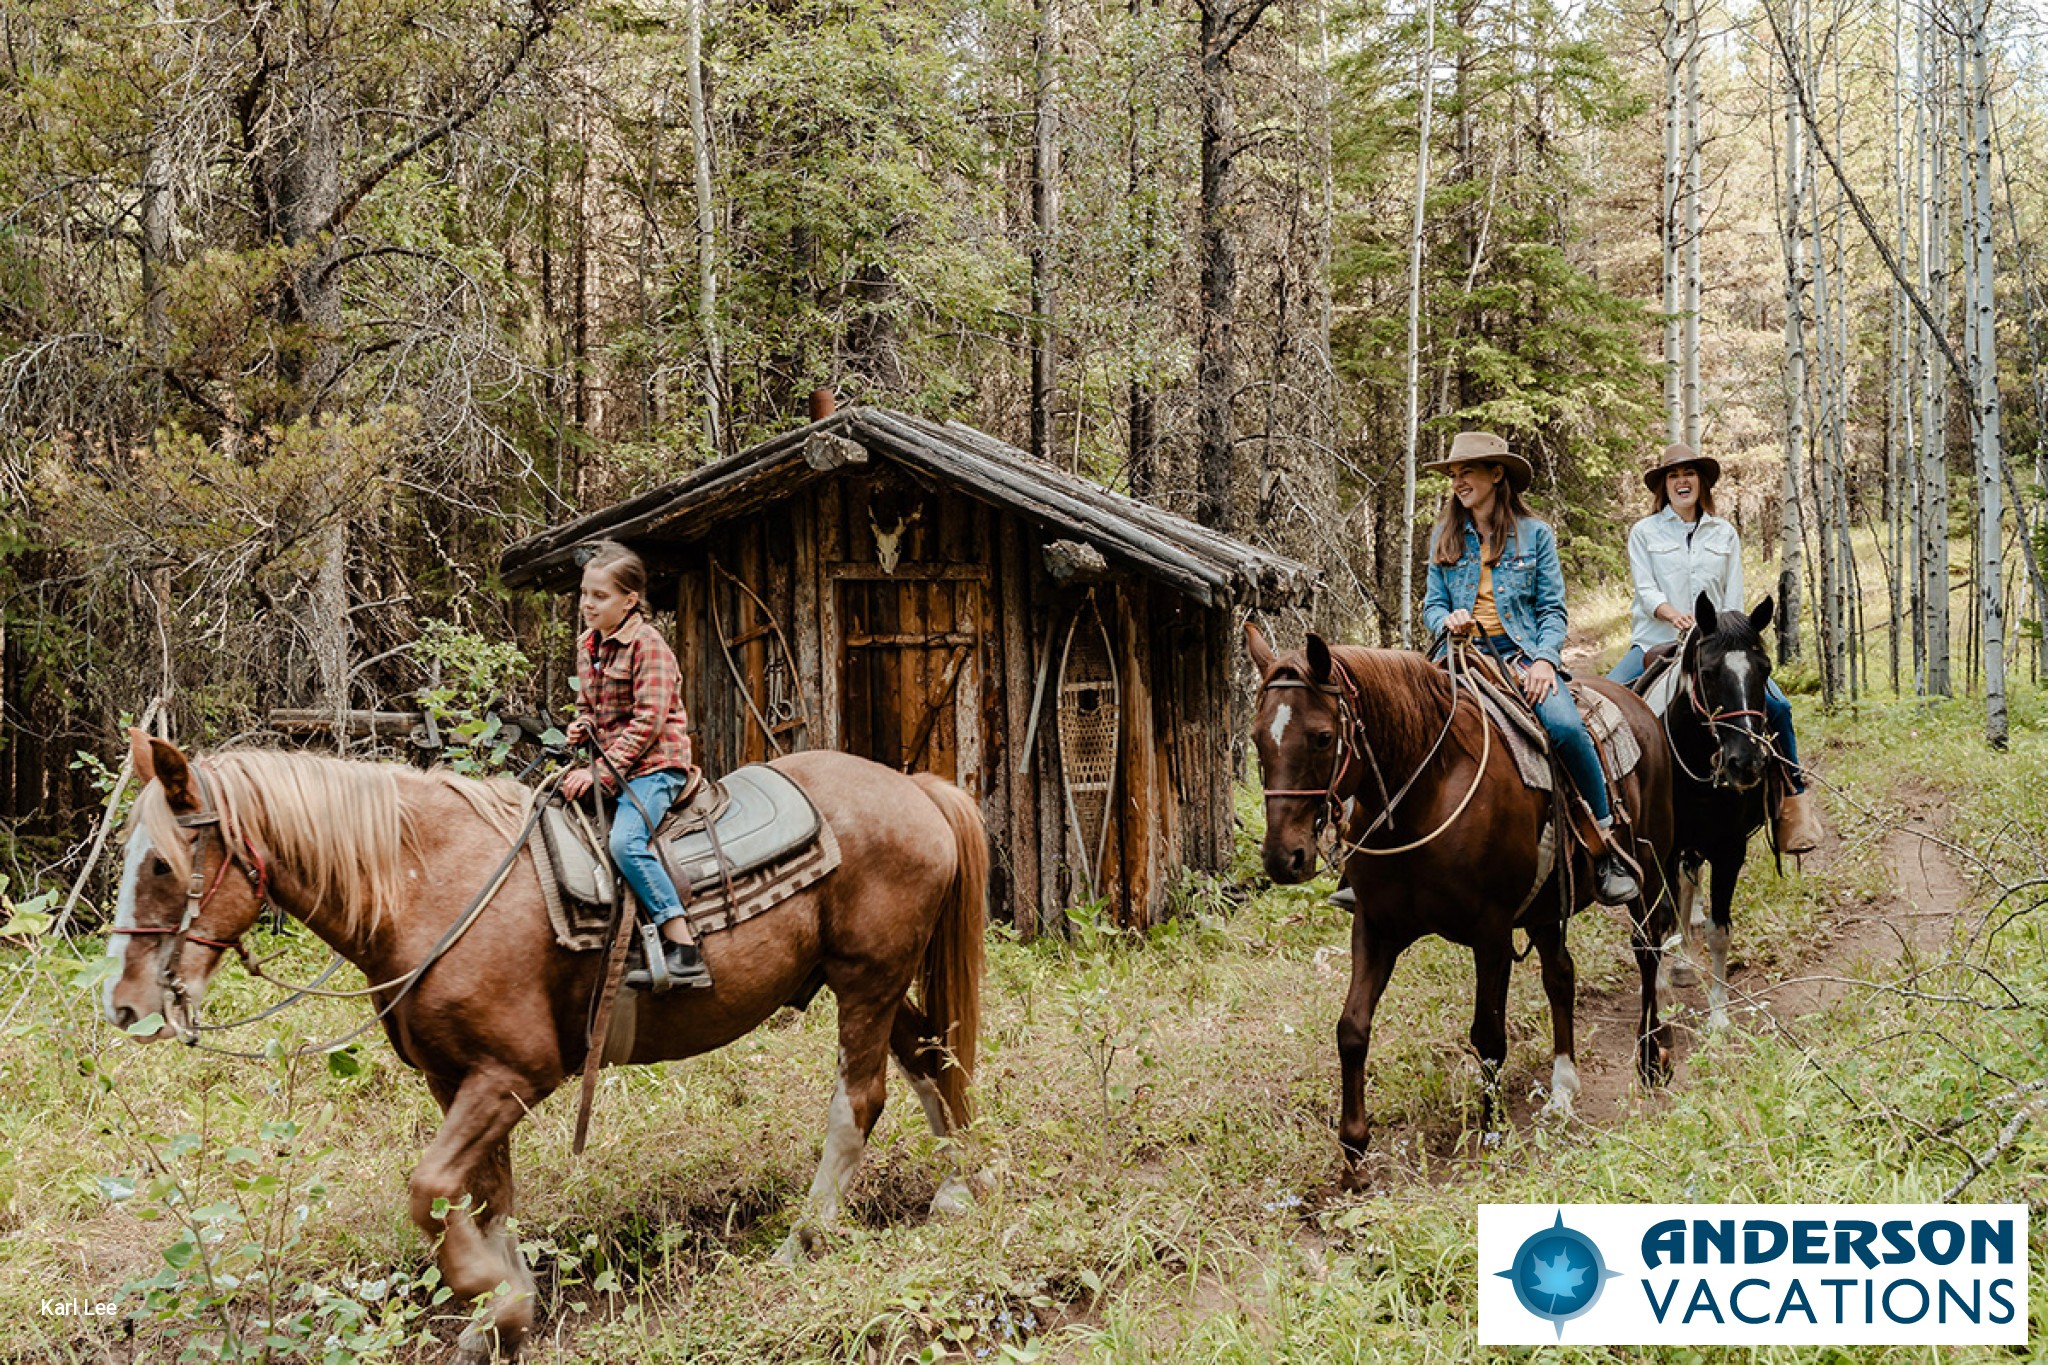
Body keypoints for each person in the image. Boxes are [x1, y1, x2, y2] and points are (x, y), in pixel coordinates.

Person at [1420, 430, 1641, 906]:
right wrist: (1447, 619)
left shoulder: (1535, 535)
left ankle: (1604, 847)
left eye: (1468, 472)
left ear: (1496, 475)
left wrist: (1543, 660)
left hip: (1519, 655)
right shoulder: (1446, 537)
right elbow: (1431, 607)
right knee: (1399, 722)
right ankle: (1366, 863)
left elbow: (1553, 611)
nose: (1458, 482)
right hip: (1458, 655)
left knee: (1565, 727)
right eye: (1454, 475)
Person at [1607, 443, 1820, 854]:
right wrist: (1672, 614)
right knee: (1609, 706)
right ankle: (1616, 814)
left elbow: (1733, 594)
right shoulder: (1644, 532)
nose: (1682, 481)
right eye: (1673, 475)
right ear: (1663, 486)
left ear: (1701, 482)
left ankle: (1793, 803)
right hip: (1655, 640)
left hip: (1716, 643)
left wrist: (1725, 632)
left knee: (1778, 708)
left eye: (1689, 473)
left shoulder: (1724, 533)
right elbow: (1645, 587)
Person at [560, 540, 713, 990]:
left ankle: (683, 947)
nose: (588, 604)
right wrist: (582, 726)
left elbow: (649, 722)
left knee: (627, 842)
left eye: (600, 596)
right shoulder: (588, 644)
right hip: (611, 762)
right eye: (585, 593)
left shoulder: (650, 646)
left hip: (654, 767)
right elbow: (588, 705)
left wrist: (601, 774)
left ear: (630, 600)